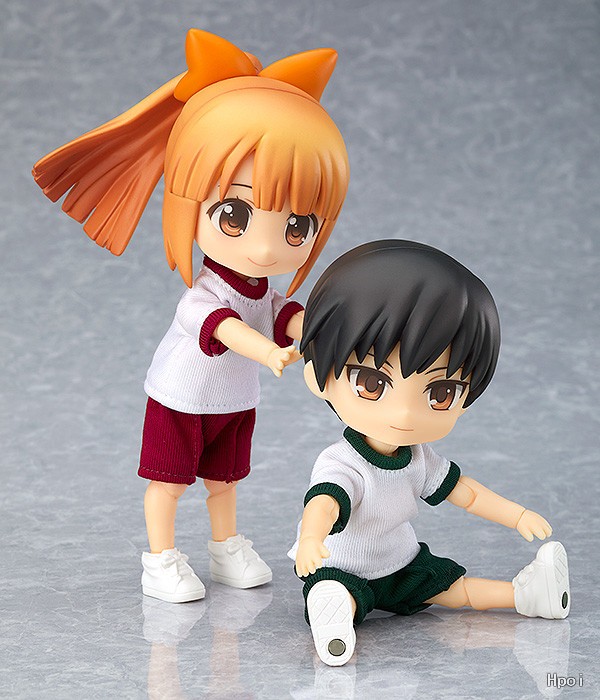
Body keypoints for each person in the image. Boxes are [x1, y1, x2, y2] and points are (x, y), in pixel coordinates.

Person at [32, 29, 349, 603]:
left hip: (234, 400)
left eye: (297, 226)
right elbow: (227, 328)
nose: (265, 248)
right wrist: (270, 352)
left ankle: (225, 548)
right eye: (235, 215)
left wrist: (320, 332)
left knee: (224, 481)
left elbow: (282, 312)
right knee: (169, 483)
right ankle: (160, 560)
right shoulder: (202, 297)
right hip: (182, 398)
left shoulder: (263, 288)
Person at [290, 240, 570, 666]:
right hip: (341, 565)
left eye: (440, 392)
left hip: (401, 563)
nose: (404, 413)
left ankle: (529, 596)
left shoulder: (419, 458)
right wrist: (311, 539)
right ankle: (333, 617)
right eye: (371, 383)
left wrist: (517, 515)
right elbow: (325, 502)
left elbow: (465, 492)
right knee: (341, 593)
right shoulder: (342, 461)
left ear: (466, 398)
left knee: (454, 589)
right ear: (317, 377)